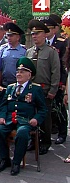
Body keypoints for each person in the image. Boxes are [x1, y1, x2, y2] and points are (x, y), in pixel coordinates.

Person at [0, 57, 47, 176]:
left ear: (29, 75)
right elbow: (3, 105)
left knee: (22, 133)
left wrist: (36, 119)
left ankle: (16, 162)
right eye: (17, 71)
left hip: (26, 121)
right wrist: (1, 116)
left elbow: (43, 109)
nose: (19, 74)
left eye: (22, 72)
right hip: (9, 120)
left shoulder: (35, 89)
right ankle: (5, 159)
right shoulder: (10, 88)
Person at [25, 20, 60, 155]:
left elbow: (55, 72)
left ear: (44, 35)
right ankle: (33, 141)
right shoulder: (29, 51)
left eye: (37, 33)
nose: (34, 36)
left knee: (45, 117)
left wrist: (53, 90)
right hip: (31, 90)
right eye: (33, 34)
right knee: (31, 115)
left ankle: (45, 142)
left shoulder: (51, 52)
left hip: (45, 90)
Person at [41, 17, 68, 145]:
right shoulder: (42, 43)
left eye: (49, 29)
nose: (46, 32)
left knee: (60, 109)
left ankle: (62, 134)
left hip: (59, 82)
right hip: (46, 82)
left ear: (55, 29)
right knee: (47, 110)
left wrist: (62, 83)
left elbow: (64, 65)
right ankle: (47, 133)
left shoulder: (62, 43)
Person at [0, 22, 26, 87]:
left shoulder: (24, 50)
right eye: (8, 35)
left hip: (18, 84)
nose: (9, 38)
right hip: (4, 83)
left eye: (11, 36)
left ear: (18, 37)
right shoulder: (3, 48)